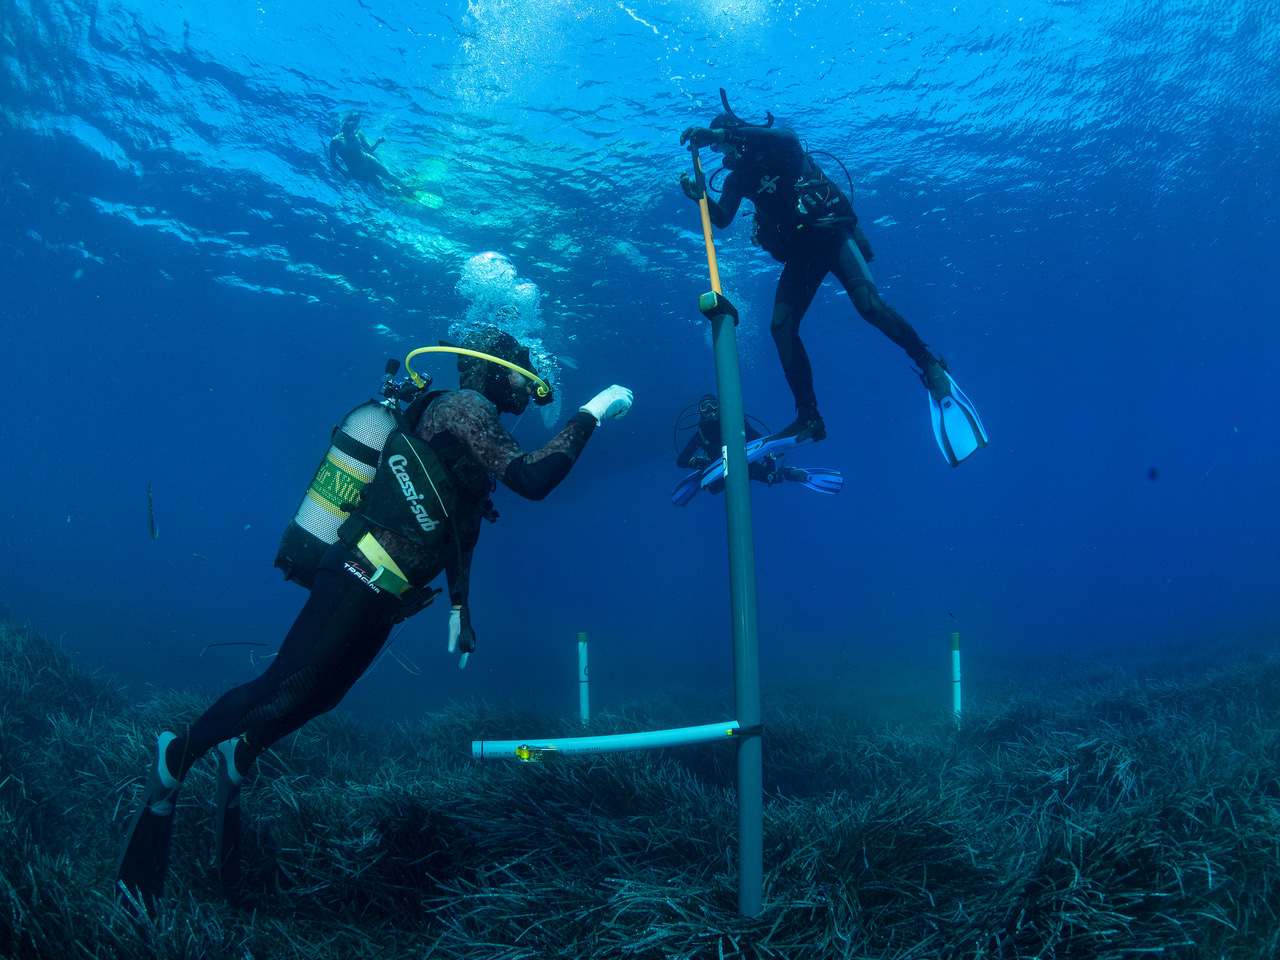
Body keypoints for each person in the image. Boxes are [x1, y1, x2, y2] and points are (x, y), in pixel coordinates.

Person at [115, 326, 634, 909]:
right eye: (522, 372)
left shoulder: (474, 427)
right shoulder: (464, 406)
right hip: (358, 569)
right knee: (282, 681)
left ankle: (240, 756)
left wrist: (460, 608)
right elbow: (534, 481)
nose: (528, 386)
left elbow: (462, 528)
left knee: (321, 696)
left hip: (391, 594)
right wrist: (589, 412)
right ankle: (174, 756)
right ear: (492, 366)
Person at [678, 90, 986, 466]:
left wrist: (722, 135)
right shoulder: (739, 178)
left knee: (870, 307)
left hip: (829, 234)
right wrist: (700, 199)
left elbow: (787, 137)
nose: (725, 157)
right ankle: (808, 418)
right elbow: (723, 218)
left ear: (738, 135)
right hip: (801, 253)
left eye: (725, 144)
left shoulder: (781, 148)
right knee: (780, 327)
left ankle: (929, 364)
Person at [671, 394, 842, 506]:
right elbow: (682, 460)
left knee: (773, 478)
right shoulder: (701, 433)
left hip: (746, 465)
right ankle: (709, 476)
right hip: (718, 468)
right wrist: (694, 462)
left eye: (713, 405)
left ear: (719, 406)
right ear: (700, 412)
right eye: (705, 408)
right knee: (714, 490)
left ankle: (790, 473)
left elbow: (761, 442)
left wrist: (770, 457)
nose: (710, 411)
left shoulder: (737, 424)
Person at [328, 112, 414, 196]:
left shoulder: (358, 134)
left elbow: (369, 150)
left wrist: (378, 142)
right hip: (357, 170)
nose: (354, 127)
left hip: (368, 159)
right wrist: (343, 172)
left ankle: (405, 188)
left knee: (388, 175)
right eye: (352, 123)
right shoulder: (335, 141)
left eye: (356, 124)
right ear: (345, 123)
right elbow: (333, 160)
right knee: (378, 182)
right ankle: (392, 193)